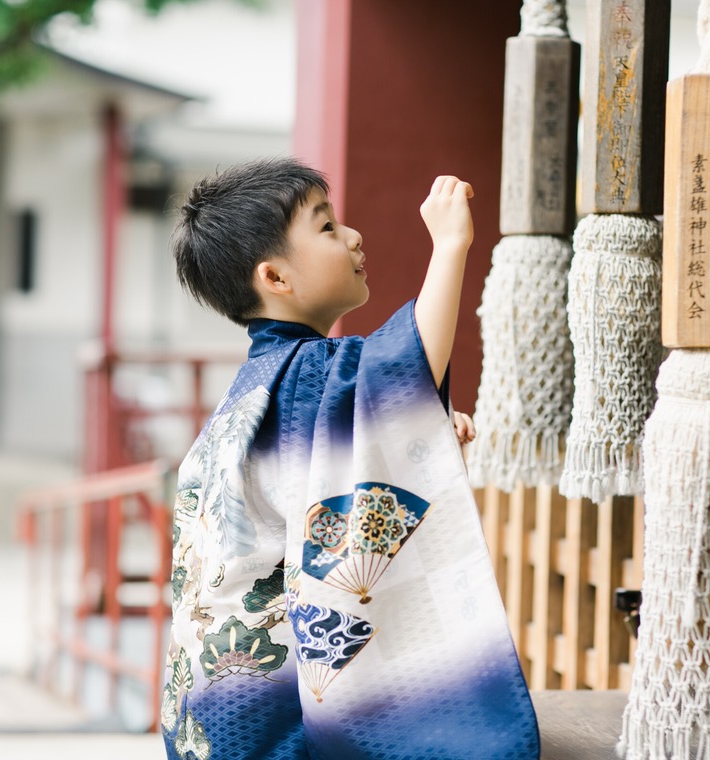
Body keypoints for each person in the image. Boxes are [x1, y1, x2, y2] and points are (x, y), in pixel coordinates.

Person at [161, 157, 538, 759]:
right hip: (272, 716)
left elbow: (345, 471)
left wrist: (424, 436)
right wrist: (450, 246)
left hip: (219, 712)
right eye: (327, 226)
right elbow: (402, 368)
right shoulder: (304, 371)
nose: (353, 236)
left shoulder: (256, 388)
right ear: (275, 277)